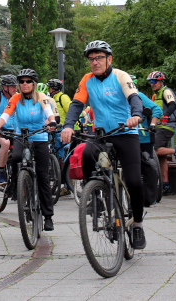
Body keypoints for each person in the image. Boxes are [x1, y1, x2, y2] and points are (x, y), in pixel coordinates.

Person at [60, 40, 149, 250]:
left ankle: (137, 224)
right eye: (91, 59)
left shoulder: (120, 76)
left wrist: (136, 116)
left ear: (109, 59)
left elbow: (135, 98)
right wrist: (68, 126)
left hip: (126, 133)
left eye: (99, 58)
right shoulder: (87, 80)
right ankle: (97, 197)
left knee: (135, 181)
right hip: (102, 135)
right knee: (86, 155)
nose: (94, 62)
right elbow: (76, 104)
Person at [0, 69, 57, 231]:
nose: (24, 84)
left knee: (43, 175)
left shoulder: (41, 97)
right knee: (15, 158)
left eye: (28, 81)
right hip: (22, 136)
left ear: (34, 84)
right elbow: (6, 115)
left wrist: (51, 122)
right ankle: (17, 186)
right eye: (21, 82)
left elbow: (48, 112)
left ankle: (48, 216)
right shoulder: (15, 98)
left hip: (40, 137)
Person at [147, 71, 176, 196]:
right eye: (150, 82)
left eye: (154, 82)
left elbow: (172, 105)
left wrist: (166, 116)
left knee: (154, 149)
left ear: (160, 81)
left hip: (167, 127)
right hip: (159, 127)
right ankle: (166, 185)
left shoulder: (166, 91)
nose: (152, 84)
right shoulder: (157, 94)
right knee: (161, 157)